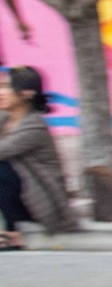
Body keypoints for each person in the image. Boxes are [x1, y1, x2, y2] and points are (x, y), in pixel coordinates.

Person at [0, 66, 78, 248]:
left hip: (42, 201)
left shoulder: (34, 127)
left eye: (6, 87)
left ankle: (13, 235)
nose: (0, 93)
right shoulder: (5, 119)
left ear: (26, 94)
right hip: (19, 194)